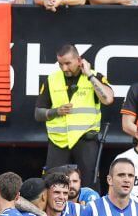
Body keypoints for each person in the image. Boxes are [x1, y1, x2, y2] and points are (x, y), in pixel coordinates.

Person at [35, 44, 114, 190]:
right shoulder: (52, 79)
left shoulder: (94, 76)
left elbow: (108, 99)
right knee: (53, 185)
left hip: (86, 139)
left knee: (90, 186)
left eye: (67, 63)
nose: (64, 68)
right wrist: (56, 111)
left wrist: (89, 75)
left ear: (79, 60)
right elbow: (38, 113)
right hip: (59, 141)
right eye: (60, 64)